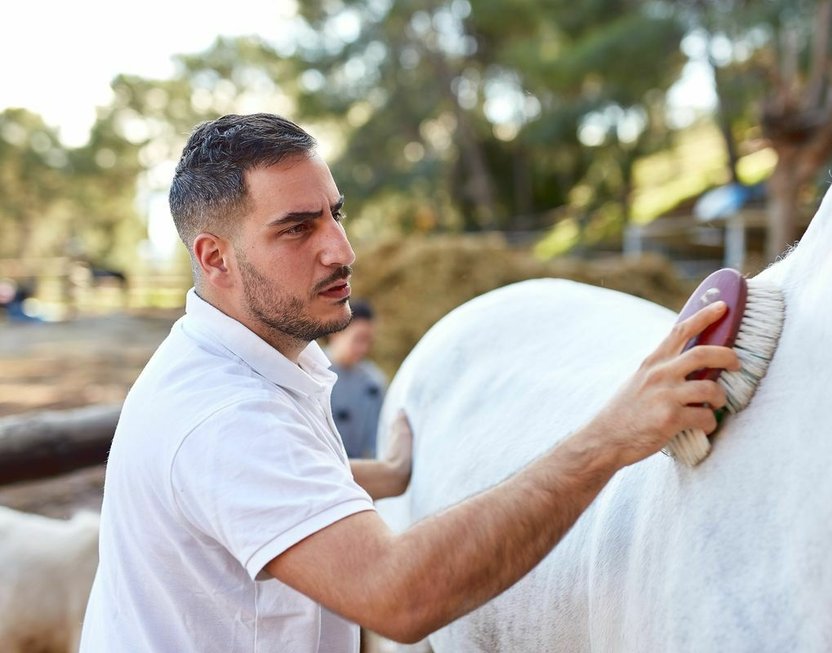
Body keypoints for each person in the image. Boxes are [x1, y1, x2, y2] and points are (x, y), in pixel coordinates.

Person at [80, 113, 739, 652]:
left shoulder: (234, 362)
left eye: (335, 213)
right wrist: (610, 435)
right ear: (215, 257)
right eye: (297, 229)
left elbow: (259, 493)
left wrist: (387, 475)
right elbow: (398, 595)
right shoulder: (224, 415)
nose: (341, 249)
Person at [321, 299, 386, 459]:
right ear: (336, 332)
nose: (363, 348)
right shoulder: (310, 370)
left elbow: (378, 438)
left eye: (367, 341)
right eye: (358, 339)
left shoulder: (373, 381)